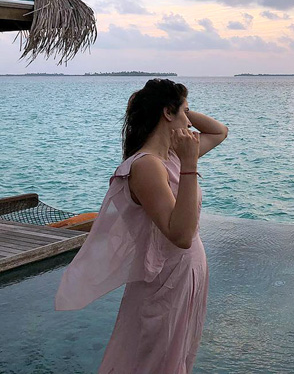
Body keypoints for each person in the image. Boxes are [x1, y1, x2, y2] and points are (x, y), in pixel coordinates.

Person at [55, 79, 228, 374]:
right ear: (166, 114)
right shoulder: (148, 165)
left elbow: (219, 131)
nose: (190, 120)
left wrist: (181, 110)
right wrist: (190, 164)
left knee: (178, 352)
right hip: (167, 275)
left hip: (188, 271)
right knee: (153, 359)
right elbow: (181, 235)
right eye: (184, 111)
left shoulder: (171, 155)